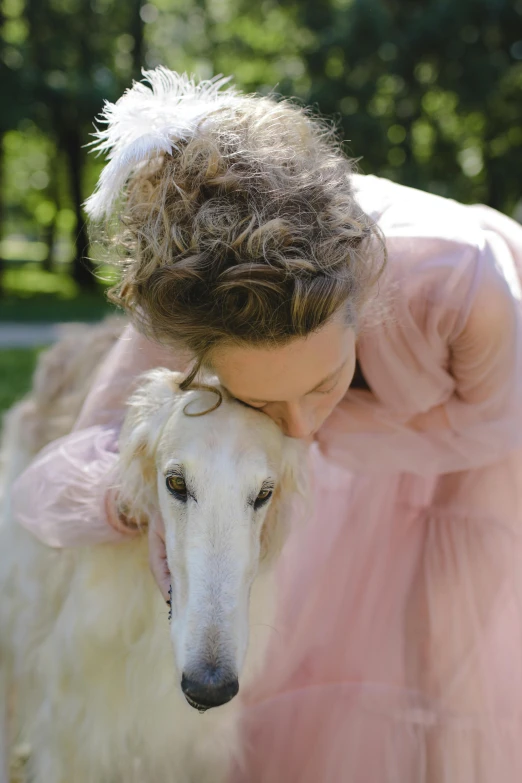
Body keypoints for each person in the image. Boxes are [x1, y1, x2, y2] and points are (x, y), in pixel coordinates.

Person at [10, 68, 522, 781]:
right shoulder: (210, 294)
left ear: (358, 305)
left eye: (321, 383)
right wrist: (132, 496)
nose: (303, 423)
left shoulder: (475, 291)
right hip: (305, 475)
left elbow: (498, 429)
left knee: (454, 666)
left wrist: (316, 441)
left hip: (480, 457)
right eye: (264, 401)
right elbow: (42, 488)